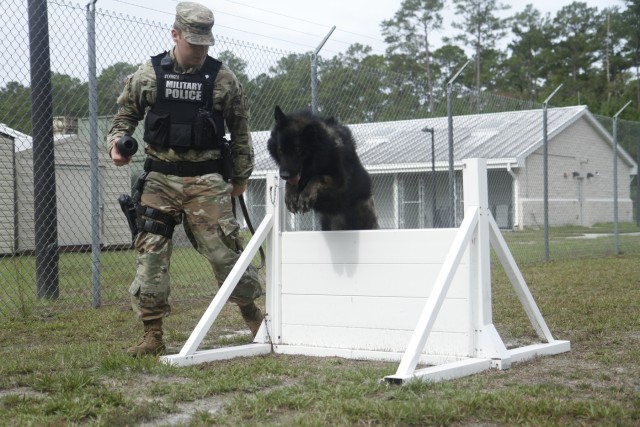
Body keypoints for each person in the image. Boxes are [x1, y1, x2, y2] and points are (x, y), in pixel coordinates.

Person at [107, 1, 263, 357]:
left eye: (205, 44)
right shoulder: (149, 74)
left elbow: (241, 133)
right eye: (193, 43)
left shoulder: (224, 79)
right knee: (151, 257)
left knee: (225, 253)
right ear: (175, 35)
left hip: (207, 180)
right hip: (160, 178)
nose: (199, 51)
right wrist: (116, 145)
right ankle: (153, 336)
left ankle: (254, 317)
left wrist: (239, 178)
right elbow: (125, 115)